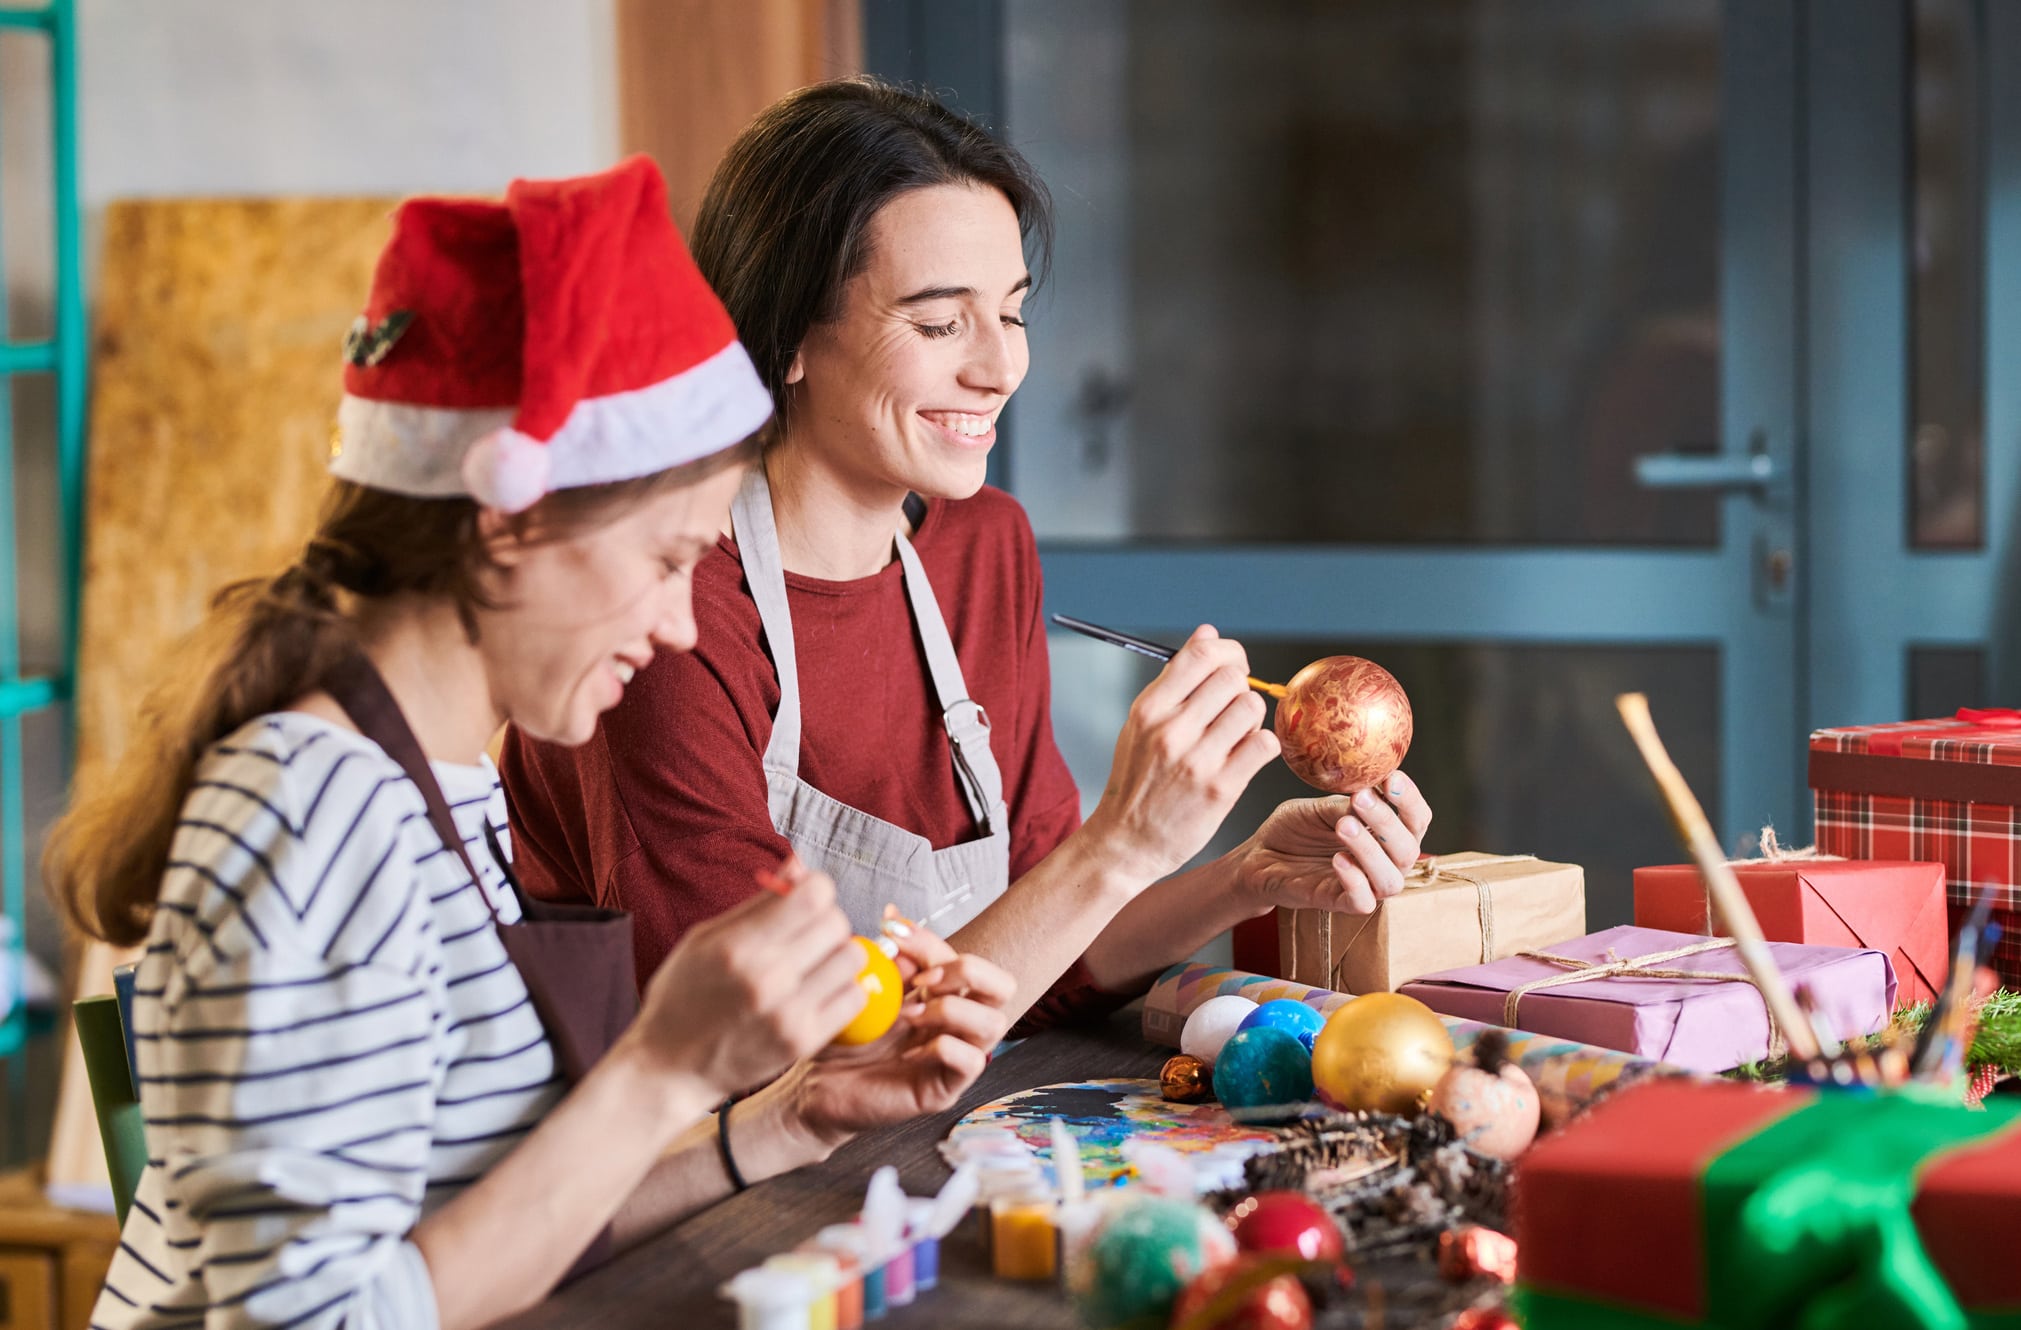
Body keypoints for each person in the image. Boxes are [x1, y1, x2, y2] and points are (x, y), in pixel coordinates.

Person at [46, 156, 1012, 1330]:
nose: (672, 621)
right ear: (511, 522)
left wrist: (785, 1115)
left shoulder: (445, 780)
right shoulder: (310, 809)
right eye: (665, 560)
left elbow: (496, 1221)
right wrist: (663, 1063)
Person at [502, 79, 1434, 1034]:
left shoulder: (984, 546)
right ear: (785, 337)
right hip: (712, 1171)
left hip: (924, 1136)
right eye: (941, 323)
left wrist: (1243, 879)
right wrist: (1119, 841)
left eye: (1013, 312)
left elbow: (1046, 949)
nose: (999, 368)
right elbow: (751, 1046)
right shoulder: (662, 610)